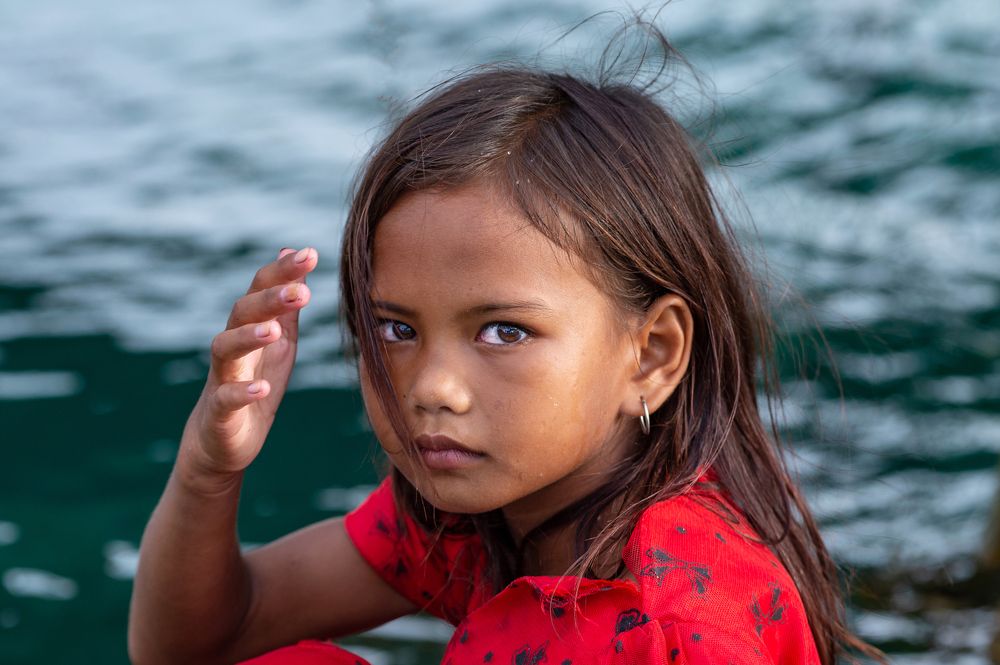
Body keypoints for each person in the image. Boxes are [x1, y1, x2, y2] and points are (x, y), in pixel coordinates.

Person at [127, 15, 886, 665]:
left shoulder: (671, 629)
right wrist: (207, 469)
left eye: (503, 331)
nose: (432, 387)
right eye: (396, 328)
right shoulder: (473, 509)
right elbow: (203, 641)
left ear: (650, 355)